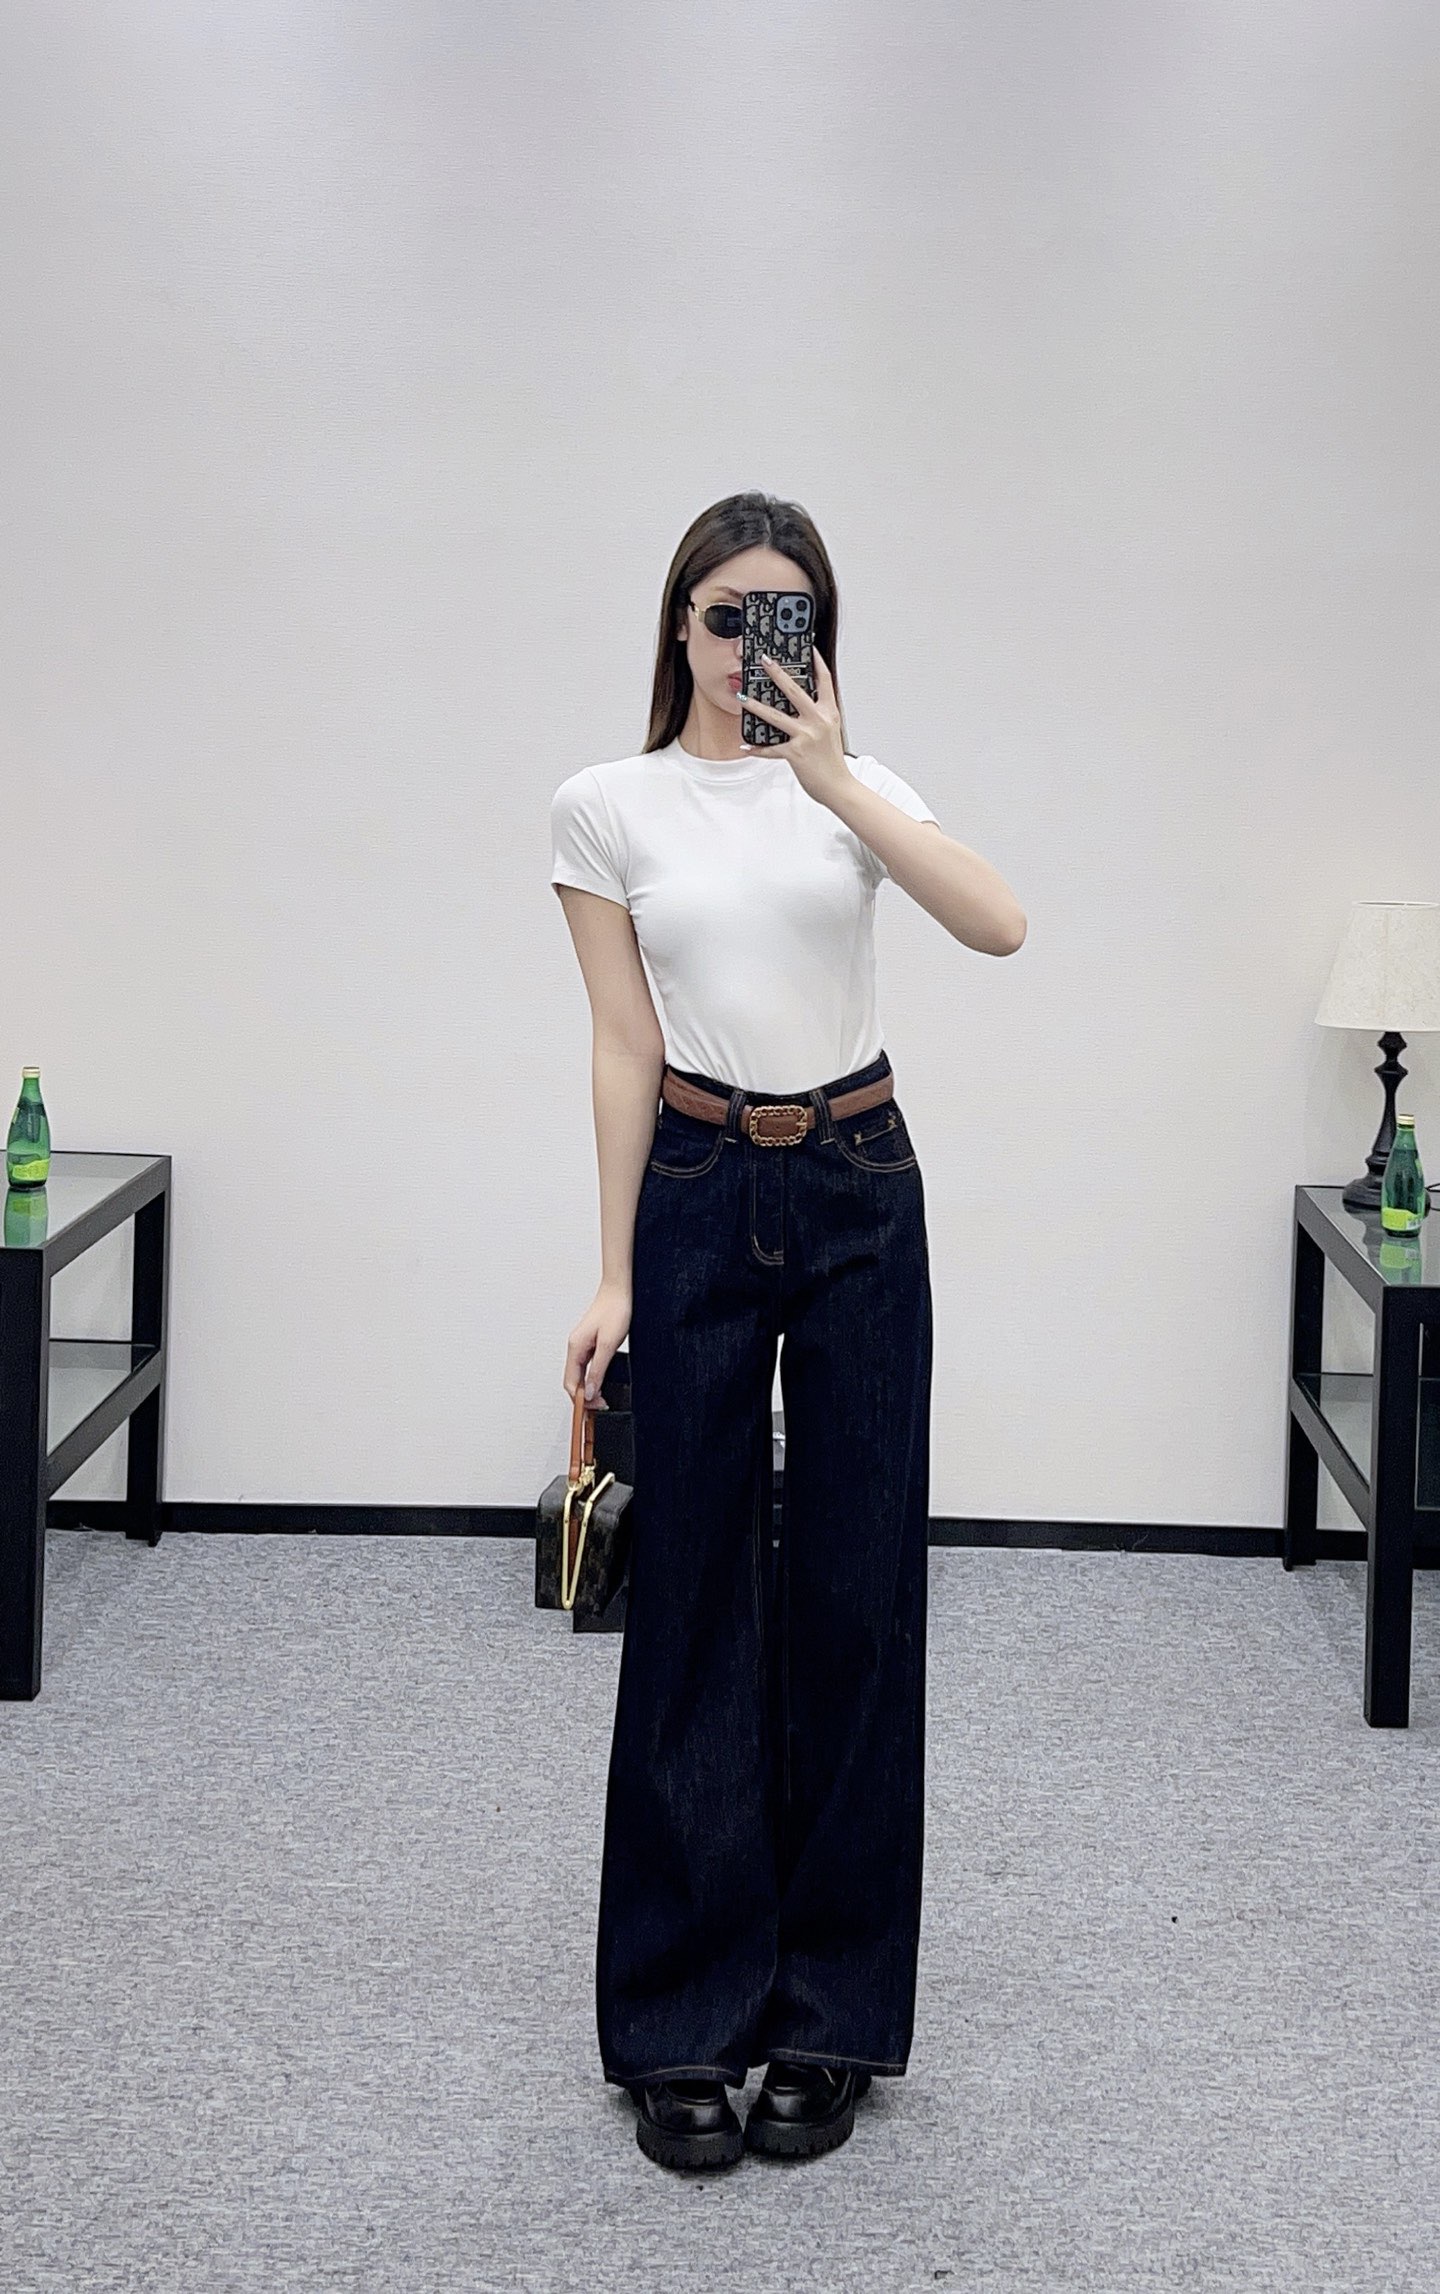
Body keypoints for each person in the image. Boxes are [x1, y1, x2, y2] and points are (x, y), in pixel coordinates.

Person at [549, 490, 1026, 2173]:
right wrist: (612, 1271)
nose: (752, 643)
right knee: (690, 1593)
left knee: (854, 1590)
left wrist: (833, 780)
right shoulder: (607, 804)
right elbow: (622, 1041)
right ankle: (680, 2018)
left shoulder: (857, 786)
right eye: (727, 612)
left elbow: (1000, 921)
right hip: (694, 1181)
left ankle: (831, 2012)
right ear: (677, 623)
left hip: (856, 1182)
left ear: (818, 635)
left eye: (787, 614)